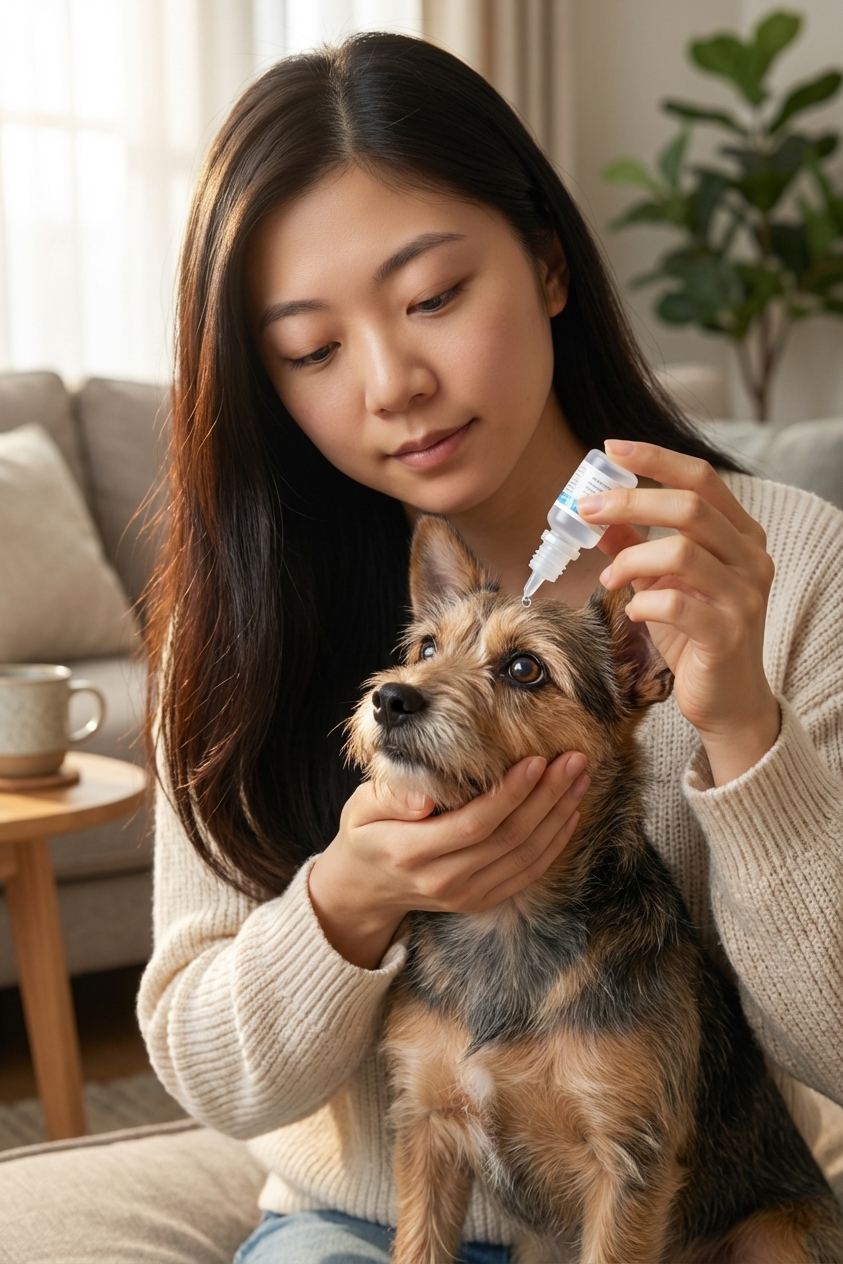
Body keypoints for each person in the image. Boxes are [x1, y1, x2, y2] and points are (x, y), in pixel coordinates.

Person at [137, 32, 843, 1264]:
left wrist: (743, 732)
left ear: (550, 265)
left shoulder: (791, 567)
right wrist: (351, 900)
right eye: (311, 350)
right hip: (364, 1227)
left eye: (434, 297)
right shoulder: (243, 617)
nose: (393, 380)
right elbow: (211, 1072)